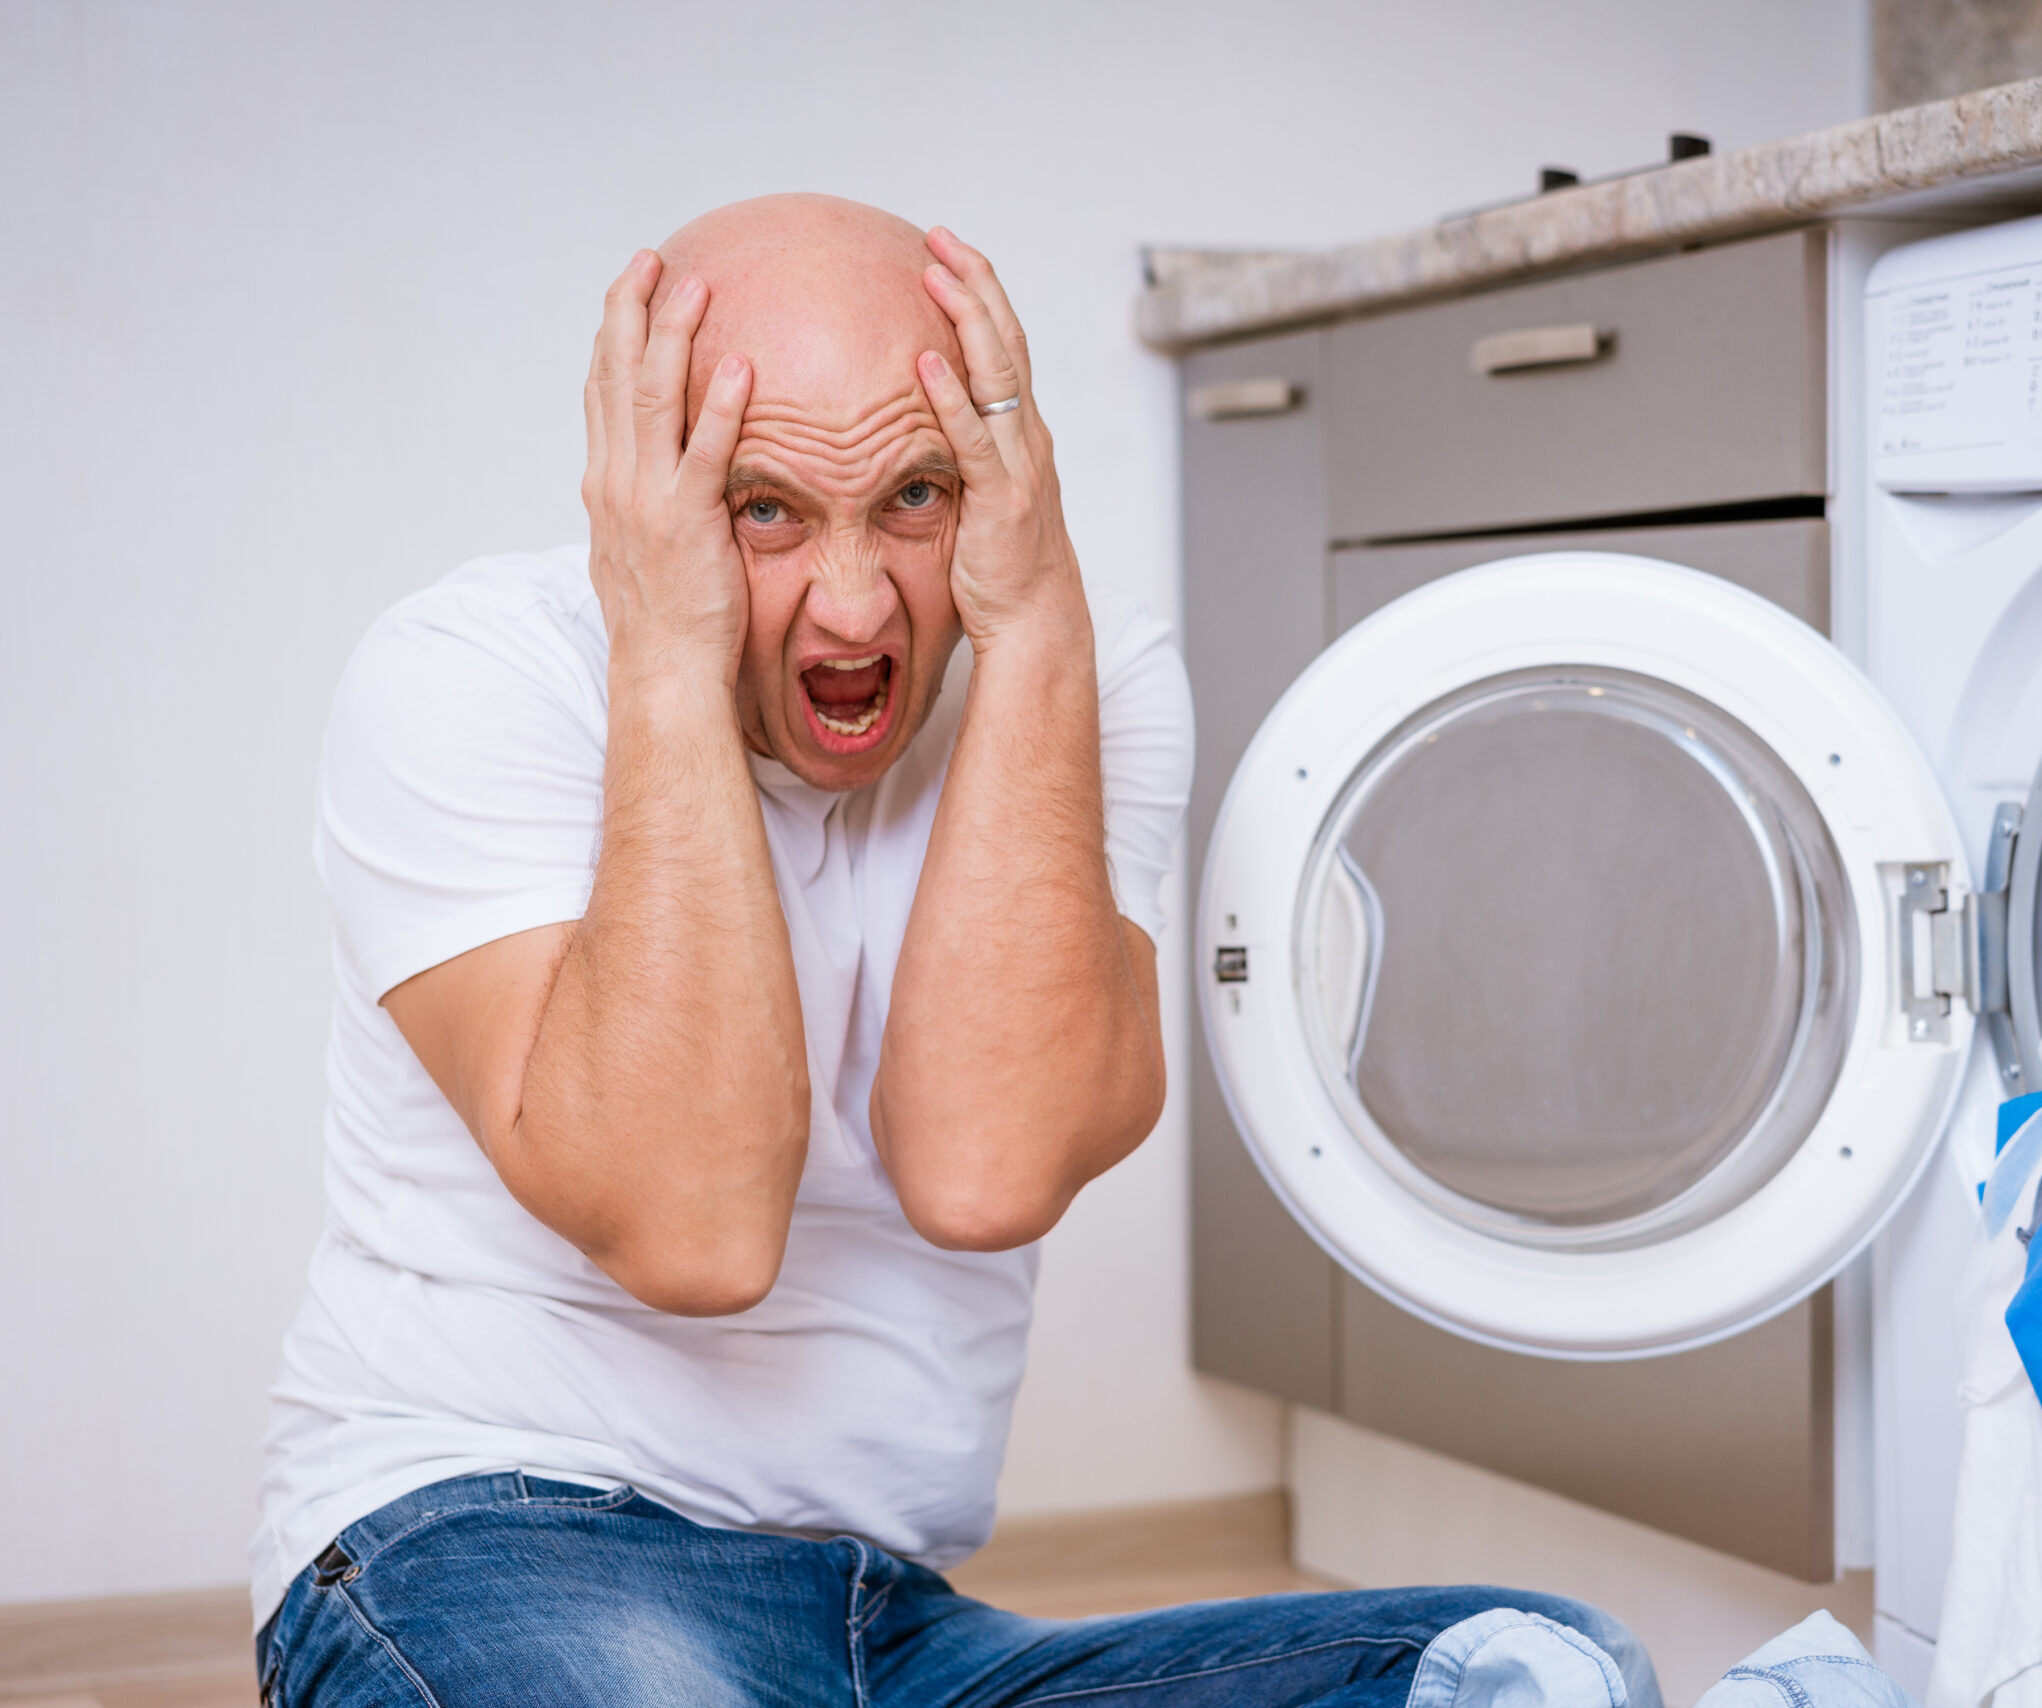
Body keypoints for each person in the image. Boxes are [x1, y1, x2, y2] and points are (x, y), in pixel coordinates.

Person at [250, 194, 1660, 1708]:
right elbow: (692, 1232)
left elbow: (985, 1172)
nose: (855, 605)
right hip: (490, 1541)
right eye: (765, 507)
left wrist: (1038, 625)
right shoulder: (470, 679)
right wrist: (663, 647)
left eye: (916, 498)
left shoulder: (1071, 669)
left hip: (894, 1626)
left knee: (1527, 1670)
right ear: (640, 489)